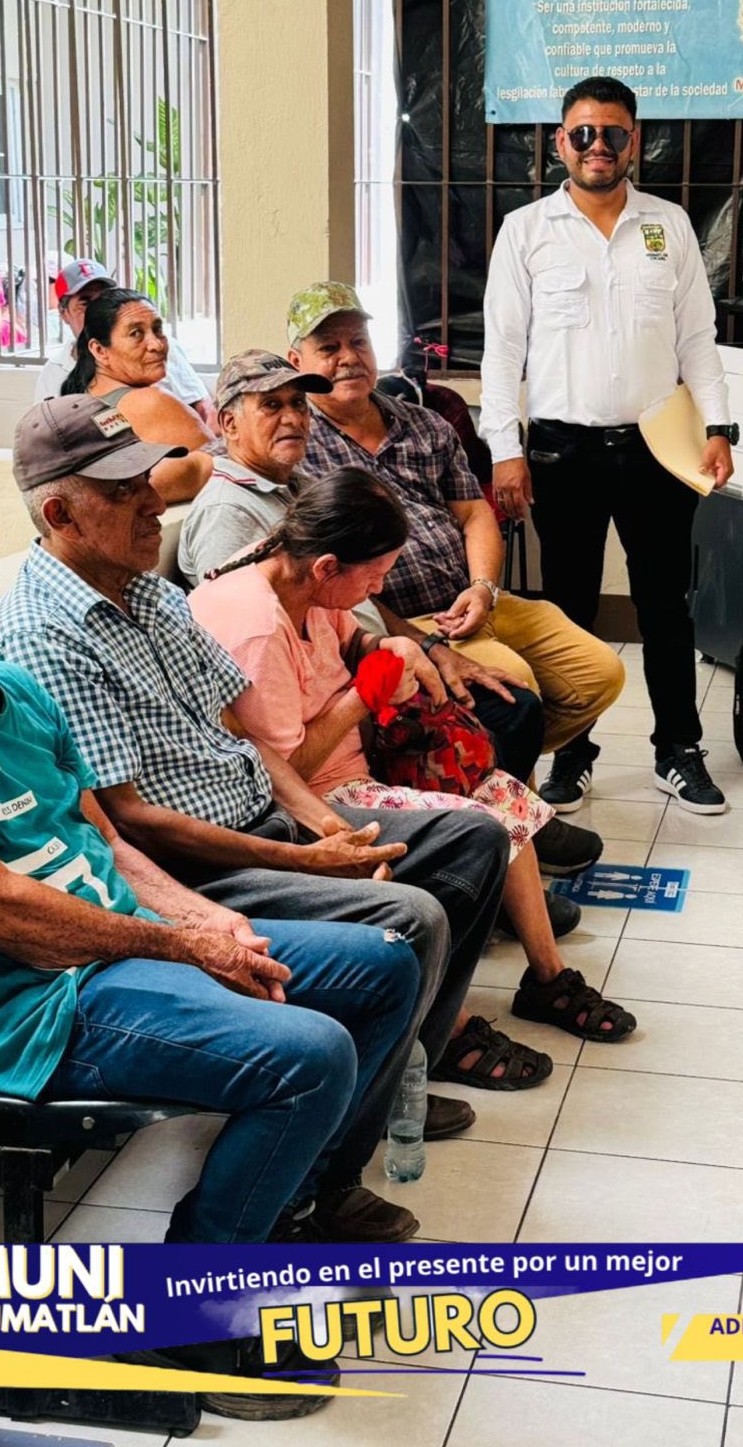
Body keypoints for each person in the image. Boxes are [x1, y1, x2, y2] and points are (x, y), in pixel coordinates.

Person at [0, 478, 420, 1417]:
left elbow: (108, 840)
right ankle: (184, 1319)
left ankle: (284, 1211)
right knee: (309, 1056)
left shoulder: (15, 693)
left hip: (129, 945)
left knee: (384, 962)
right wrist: (181, 946)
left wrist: (202, 921)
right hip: (42, 1002)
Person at [0, 395, 512, 1236]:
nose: (153, 502)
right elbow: (130, 823)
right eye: (123, 492)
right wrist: (304, 860)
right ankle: (320, 1180)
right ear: (59, 514)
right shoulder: (44, 635)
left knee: (472, 839)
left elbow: (249, 741)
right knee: (408, 922)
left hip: (263, 822)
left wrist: (323, 828)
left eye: (146, 480)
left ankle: (394, 1078)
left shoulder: (147, 593)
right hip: (199, 864)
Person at [192, 466, 637, 1065]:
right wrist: (364, 696)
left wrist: (391, 646)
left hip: (359, 758)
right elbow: (283, 770)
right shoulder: (256, 626)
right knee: (479, 828)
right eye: (375, 575)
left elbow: (351, 641)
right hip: (312, 797)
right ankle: (443, 1025)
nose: (380, 588)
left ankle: (547, 977)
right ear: (328, 567)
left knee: (501, 793)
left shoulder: (305, 577)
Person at [179, 350, 599, 879]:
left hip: (374, 665)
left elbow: (355, 607)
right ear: (228, 423)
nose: (293, 418)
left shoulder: (297, 486)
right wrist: (372, 688)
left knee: (510, 704)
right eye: (271, 406)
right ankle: (495, 849)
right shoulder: (232, 523)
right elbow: (269, 728)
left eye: (298, 404)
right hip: (332, 746)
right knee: (502, 713)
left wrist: (415, 647)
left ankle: (512, 838)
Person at [479, 75, 735, 816]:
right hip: (562, 453)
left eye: (613, 133)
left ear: (633, 142)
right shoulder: (526, 230)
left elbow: (697, 338)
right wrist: (504, 448)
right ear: (561, 142)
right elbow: (502, 351)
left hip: (658, 449)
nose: (598, 146)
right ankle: (572, 753)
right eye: (583, 133)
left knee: (666, 605)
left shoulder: (669, 225)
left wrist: (719, 428)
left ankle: (677, 750)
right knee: (568, 610)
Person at [286, 282, 626, 810]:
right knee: (516, 689)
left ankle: (471, 771)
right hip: (405, 622)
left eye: (359, 342)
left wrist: (483, 588)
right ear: (297, 362)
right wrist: (421, 643)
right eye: (329, 348)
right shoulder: (299, 449)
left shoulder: (425, 424)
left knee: (600, 673)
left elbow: (474, 513)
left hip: (476, 600)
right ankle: (513, 810)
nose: (349, 358)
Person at [60, 287, 213, 503]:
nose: (156, 344)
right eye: (136, 334)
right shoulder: (151, 402)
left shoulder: (84, 396)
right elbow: (228, 470)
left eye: (157, 329)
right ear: (99, 350)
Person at [34, 256, 217, 429]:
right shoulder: (54, 373)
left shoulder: (160, 348)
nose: (98, 309)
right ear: (63, 313)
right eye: (86, 302)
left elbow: (204, 411)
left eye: (103, 298)